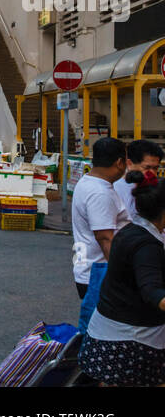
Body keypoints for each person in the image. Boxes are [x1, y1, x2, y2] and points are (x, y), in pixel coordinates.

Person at [79, 169, 165, 386]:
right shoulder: (147, 245)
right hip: (129, 343)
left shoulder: (131, 231)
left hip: (107, 337)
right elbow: (152, 291)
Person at [71, 136, 128, 300]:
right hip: (98, 274)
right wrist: (121, 277)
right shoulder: (100, 193)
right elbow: (105, 238)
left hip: (89, 269)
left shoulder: (88, 182)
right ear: (119, 162)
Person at [115, 139, 163, 222]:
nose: (152, 173)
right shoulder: (115, 190)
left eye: (155, 168)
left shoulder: (157, 187)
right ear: (129, 164)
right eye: (146, 168)